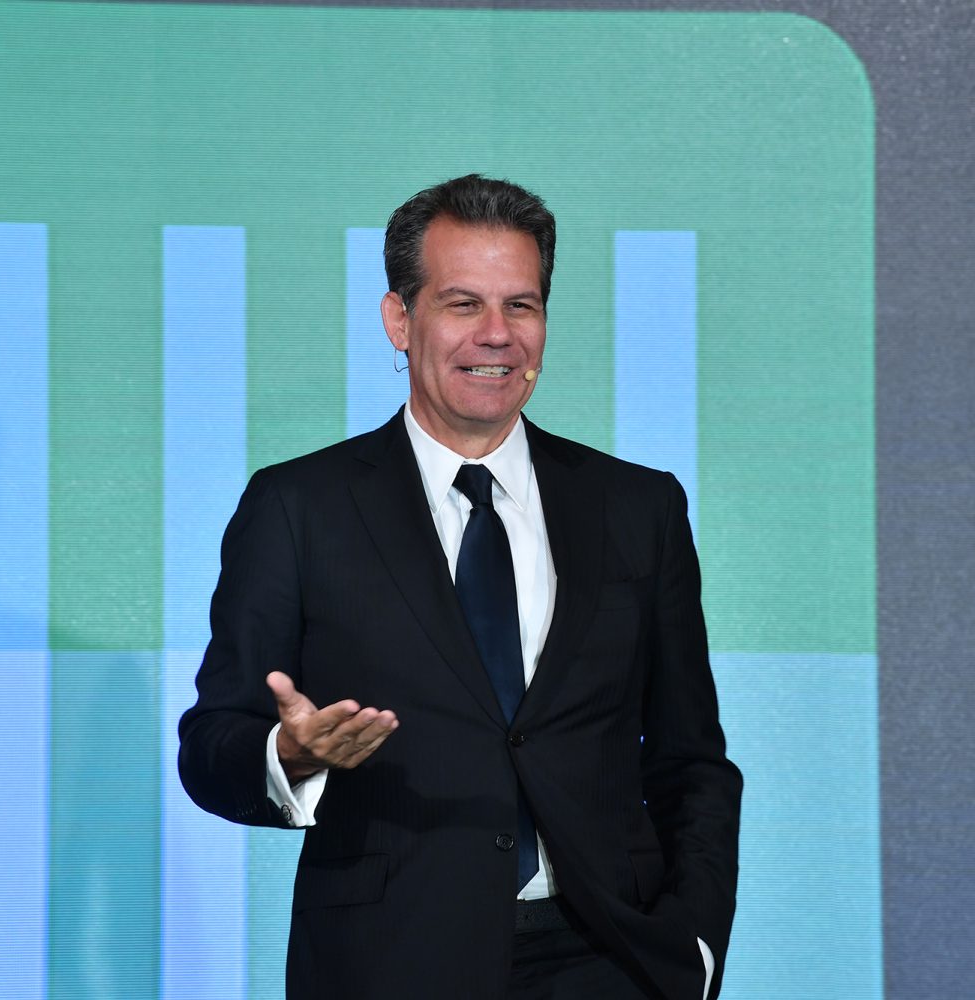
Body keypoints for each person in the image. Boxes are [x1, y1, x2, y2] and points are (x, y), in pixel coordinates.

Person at [179, 174, 742, 1000]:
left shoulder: (638, 506)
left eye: (521, 306)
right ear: (399, 320)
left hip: (611, 961)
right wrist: (288, 754)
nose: (498, 334)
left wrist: (693, 946)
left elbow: (691, 759)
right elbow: (211, 745)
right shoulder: (298, 507)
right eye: (463, 304)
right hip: (388, 962)